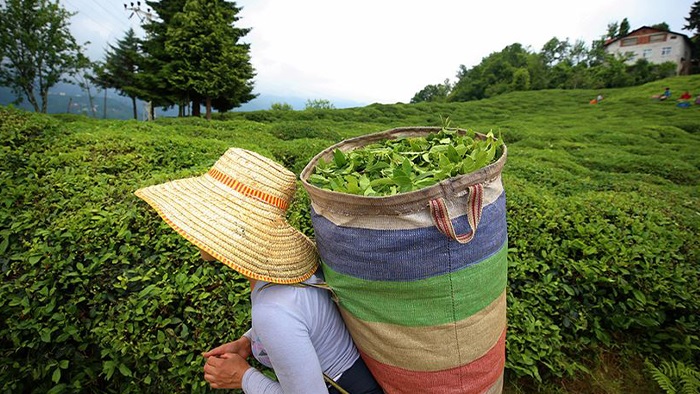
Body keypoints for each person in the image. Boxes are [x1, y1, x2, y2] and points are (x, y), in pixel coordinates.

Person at [135, 148, 383, 394]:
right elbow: (302, 321)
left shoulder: (272, 311)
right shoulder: (285, 278)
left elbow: (283, 319)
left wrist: (242, 377)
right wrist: (248, 343)